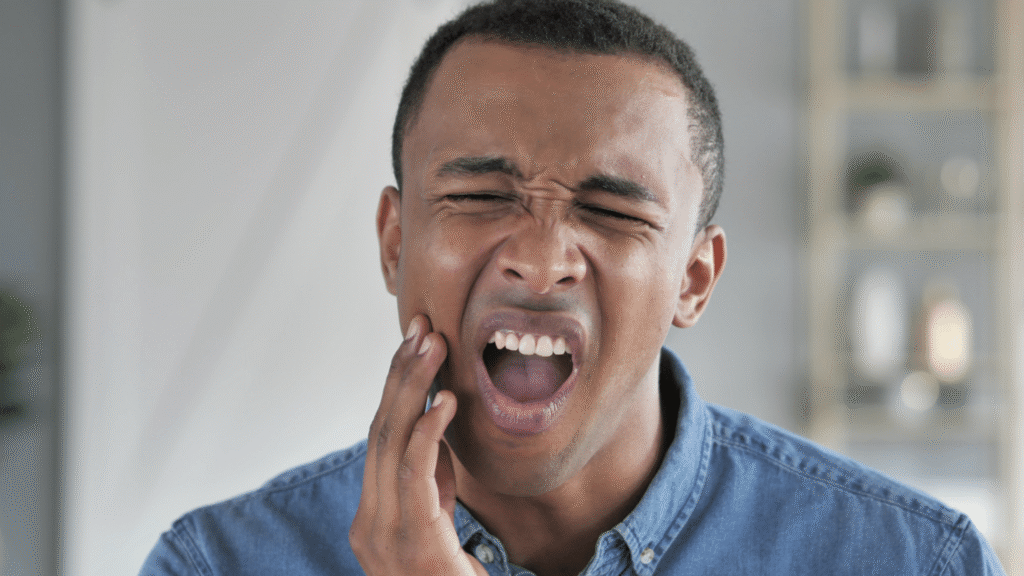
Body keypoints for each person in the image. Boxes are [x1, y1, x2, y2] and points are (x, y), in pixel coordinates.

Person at [140, 1, 1006, 574]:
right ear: (395, 242)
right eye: (481, 197)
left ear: (694, 280)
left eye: (611, 210)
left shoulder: (912, 561)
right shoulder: (218, 564)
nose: (543, 258)